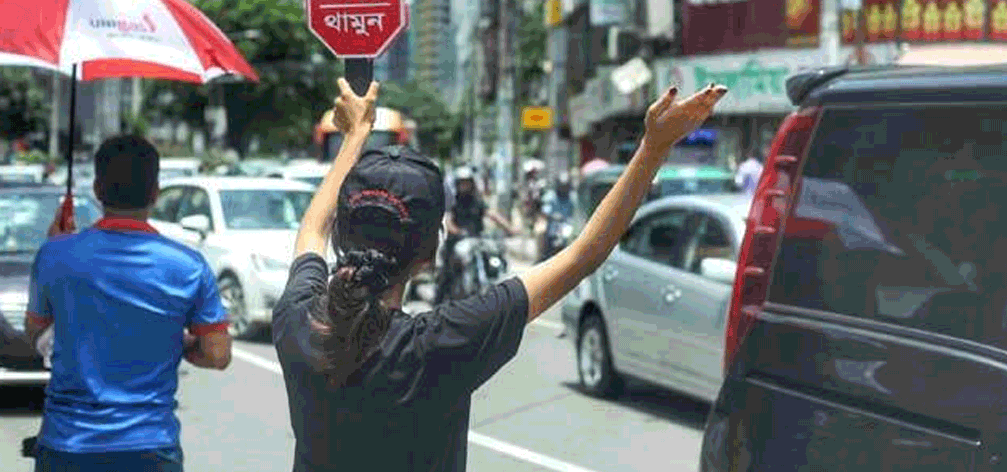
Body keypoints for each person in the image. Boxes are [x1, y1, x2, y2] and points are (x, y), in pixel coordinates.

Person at [271, 78, 726, 472]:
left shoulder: (299, 320)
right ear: (431, 249)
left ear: (343, 234)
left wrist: (354, 137)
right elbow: (584, 254)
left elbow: (311, 228)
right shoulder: (436, 345)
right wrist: (654, 146)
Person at [25, 134, 232, 472]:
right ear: (155, 191)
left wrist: (59, 248)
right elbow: (218, 354)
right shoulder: (188, 265)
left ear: (97, 189)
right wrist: (178, 342)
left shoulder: (54, 255)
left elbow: (35, 334)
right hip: (150, 448)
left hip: (67, 446)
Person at [437, 165, 515, 303]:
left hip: (477, 240)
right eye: (462, 182)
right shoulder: (453, 201)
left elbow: (492, 214)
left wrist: (509, 228)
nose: (464, 185)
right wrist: (457, 231)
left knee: (495, 254)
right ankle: (438, 299)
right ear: (457, 183)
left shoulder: (477, 200)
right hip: (457, 241)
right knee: (447, 271)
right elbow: (448, 221)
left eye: (467, 182)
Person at [539, 173, 576, 261]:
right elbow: (545, 211)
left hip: (568, 227)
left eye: (565, 187)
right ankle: (542, 255)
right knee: (540, 232)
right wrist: (553, 216)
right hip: (553, 226)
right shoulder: (551, 196)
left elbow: (576, 211)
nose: (563, 189)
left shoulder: (572, 197)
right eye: (562, 186)